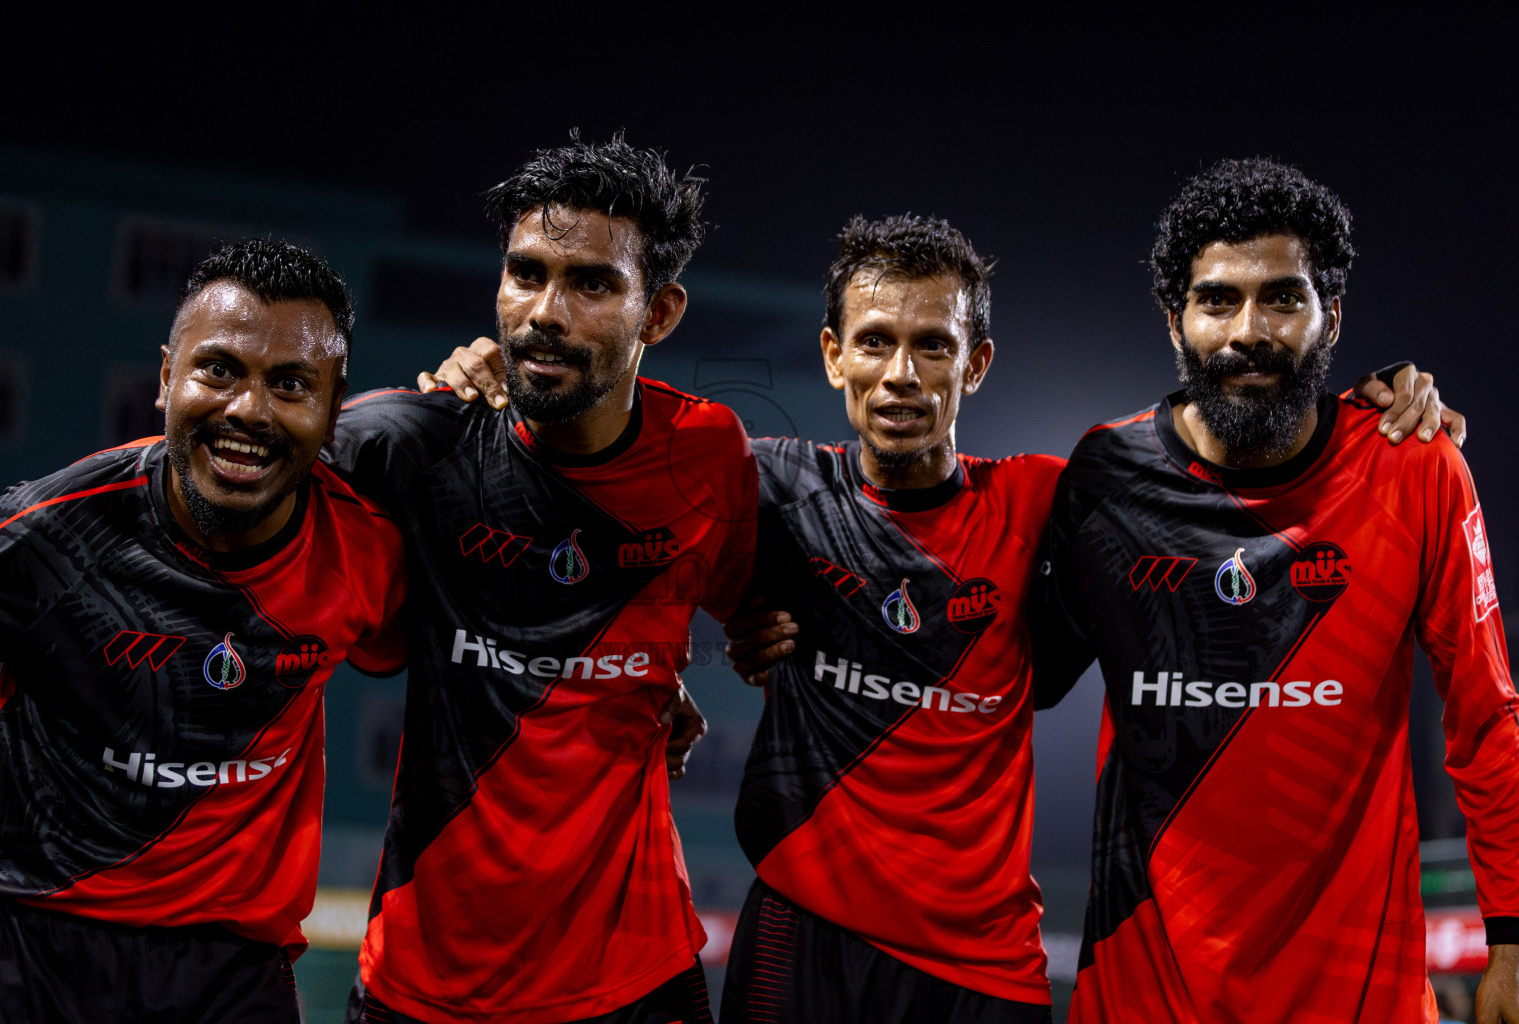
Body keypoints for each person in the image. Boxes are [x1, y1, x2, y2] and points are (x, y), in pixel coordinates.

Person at [430, 210, 1457, 1023]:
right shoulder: (768, 486)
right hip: (802, 939)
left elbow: (1217, 462)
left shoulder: (1062, 492)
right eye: (876, 341)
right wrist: (493, 380)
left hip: (983, 968)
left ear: (978, 365)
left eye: (935, 345)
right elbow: (602, 531)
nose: (903, 375)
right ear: (832, 355)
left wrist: (1370, 409)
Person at [1030, 158, 1518, 1022]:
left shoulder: (1415, 470)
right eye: (1217, 299)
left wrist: (1514, 940)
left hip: (1356, 1000)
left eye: (1284, 298)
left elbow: (1486, 720)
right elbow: (1003, 673)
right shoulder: (1105, 474)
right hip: (1144, 999)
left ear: (1334, 318)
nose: (1248, 329)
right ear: (1174, 319)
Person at [327, 131, 756, 1024]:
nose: (543, 312)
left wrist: (674, 670)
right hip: (429, 980)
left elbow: (754, 606)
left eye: (592, 284)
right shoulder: (412, 444)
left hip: (636, 980)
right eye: (525, 274)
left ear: (661, 312)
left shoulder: (709, 454)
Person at [0, 239, 406, 1024]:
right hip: (27, 946)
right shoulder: (50, 532)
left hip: (231, 972)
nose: (247, 409)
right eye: (218, 370)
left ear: (332, 403)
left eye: (289, 384)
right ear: (167, 376)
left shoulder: (371, 549)